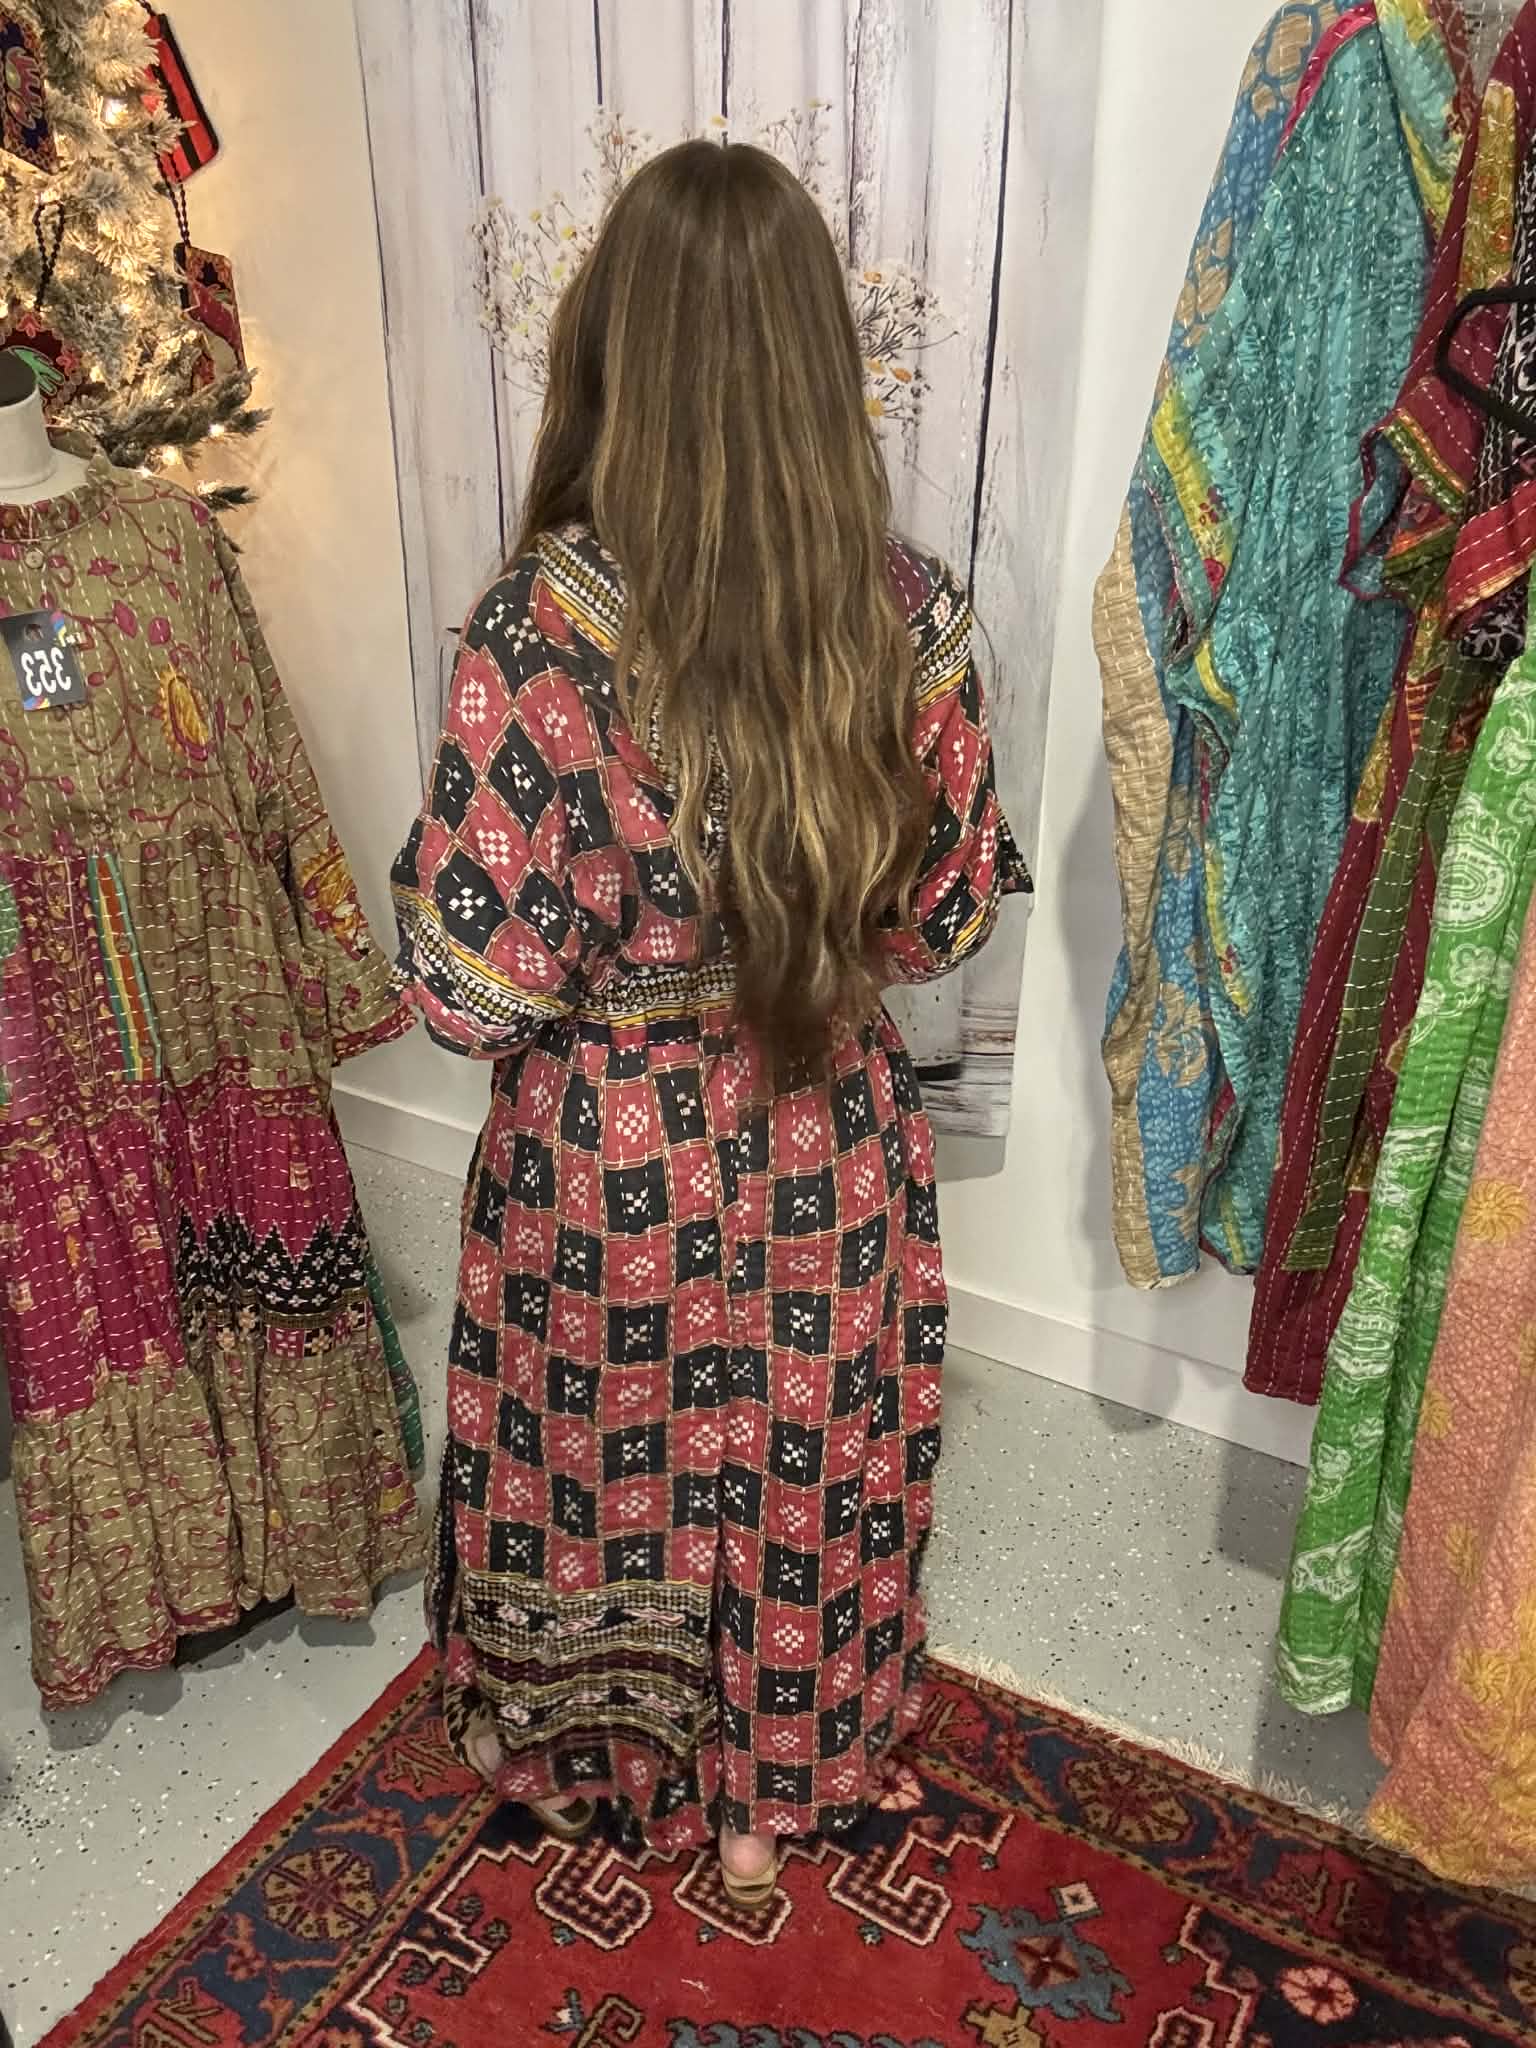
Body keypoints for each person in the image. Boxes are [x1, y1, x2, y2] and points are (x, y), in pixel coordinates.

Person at [391, 138, 1028, 1908]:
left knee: (600, 1456)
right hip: (831, 1137)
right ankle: (769, 1795)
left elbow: (467, 994)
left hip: (608, 1153)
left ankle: (593, 1747)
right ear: (821, 357)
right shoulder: (906, 614)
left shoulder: (541, 628)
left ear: (612, 345)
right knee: (807, 1458)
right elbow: (949, 916)